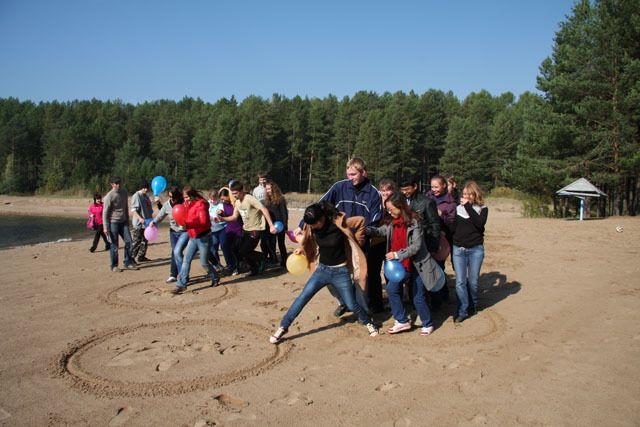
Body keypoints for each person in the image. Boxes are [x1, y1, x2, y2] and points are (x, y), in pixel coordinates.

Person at [269, 201, 378, 344]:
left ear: (323, 219)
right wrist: (301, 249)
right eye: (311, 225)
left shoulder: (338, 224)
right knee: (302, 298)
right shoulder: (311, 225)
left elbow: (361, 221)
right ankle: (283, 327)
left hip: (341, 271)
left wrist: (357, 241)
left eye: (315, 224)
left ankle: (367, 322)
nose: (313, 227)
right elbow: (307, 238)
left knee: (351, 304)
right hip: (322, 270)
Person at [293, 157, 382, 317]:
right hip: (337, 242)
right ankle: (343, 302)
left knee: (360, 279)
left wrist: (362, 233)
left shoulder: (373, 194)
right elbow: (319, 206)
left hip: (360, 244)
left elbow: (376, 221)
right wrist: (302, 224)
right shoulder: (339, 187)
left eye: (353, 174)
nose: (350, 178)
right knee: (329, 277)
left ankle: (363, 311)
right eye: (348, 174)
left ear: (363, 172)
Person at [366, 192, 441, 336]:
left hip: (417, 265)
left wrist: (396, 254)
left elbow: (416, 246)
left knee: (418, 296)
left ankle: (427, 323)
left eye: (391, 208)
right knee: (392, 289)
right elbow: (381, 231)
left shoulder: (414, 221)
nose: (389, 211)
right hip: (401, 266)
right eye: (387, 209)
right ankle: (401, 320)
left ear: (400, 206)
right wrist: (369, 230)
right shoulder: (392, 222)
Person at [217, 181, 277, 276]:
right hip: (246, 229)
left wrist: (271, 225)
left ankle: (263, 258)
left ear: (241, 191)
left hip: (255, 229)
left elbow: (264, 210)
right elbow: (234, 217)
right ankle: (255, 269)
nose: (234, 196)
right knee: (240, 251)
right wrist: (222, 219)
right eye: (233, 194)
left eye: (236, 193)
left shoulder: (249, 199)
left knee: (245, 250)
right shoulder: (237, 202)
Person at [451, 181, 488, 323]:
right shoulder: (458, 209)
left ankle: (473, 303)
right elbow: (453, 228)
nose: (465, 197)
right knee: (460, 281)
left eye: (468, 194)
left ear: (475, 194)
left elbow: (479, 223)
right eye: (463, 194)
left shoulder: (482, 209)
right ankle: (462, 310)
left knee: (473, 281)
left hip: (475, 249)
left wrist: (467, 206)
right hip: (459, 249)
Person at [171, 186, 220, 294]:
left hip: (204, 238)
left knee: (204, 263)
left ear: (192, 195)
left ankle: (215, 277)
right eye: (184, 198)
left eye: (187, 197)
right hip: (193, 237)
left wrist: (188, 224)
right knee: (186, 260)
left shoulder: (201, 204)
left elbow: (203, 222)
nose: (186, 200)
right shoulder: (186, 205)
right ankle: (181, 284)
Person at [367, 179, 397, 312]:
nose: (385, 193)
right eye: (382, 190)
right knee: (373, 274)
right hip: (375, 244)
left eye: (388, 190)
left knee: (390, 274)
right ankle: (376, 303)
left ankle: (393, 301)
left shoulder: (397, 204)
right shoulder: (375, 203)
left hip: (391, 244)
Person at [149, 186, 188, 283]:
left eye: (173, 197)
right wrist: (154, 222)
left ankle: (183, 275)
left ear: (178, 196)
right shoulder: (167, 205)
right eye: (170, 197)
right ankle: (173, 275)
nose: (171, 199)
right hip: (173, 232)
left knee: (177, 252)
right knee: (174, 252)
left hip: (184, 231)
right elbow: (161, 215)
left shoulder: (185, 204)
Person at [102, 176, 138, 272]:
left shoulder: (124, 192)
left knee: (129, 241)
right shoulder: (109, 196)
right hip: (113, 222)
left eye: (119, 183)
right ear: (112, 184)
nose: (118, 185)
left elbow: (125, 207)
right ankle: (114, 265)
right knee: (114, 245)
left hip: (123, 222)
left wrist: (127, 220)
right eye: (116, 183)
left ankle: (128, 262)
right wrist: (105, 227)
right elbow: (105, 213)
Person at [217, 188, 242, 276]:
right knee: (227, 248)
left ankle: (237, 267)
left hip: (238, 228)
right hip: (229, 229)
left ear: (229, 196)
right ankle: (231, 266)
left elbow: (235, 216)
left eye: (224, 198)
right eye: (221, 199)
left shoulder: (236, 203)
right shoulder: (224, 204)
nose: (223, 200)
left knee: (235, 249)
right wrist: (221, 214)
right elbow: (228, 216)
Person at [265, 181, 289, 269]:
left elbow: (284, 213)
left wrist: (285, 226)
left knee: (281, 244)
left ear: (273, 189)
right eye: (266, 189)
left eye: (269, 189)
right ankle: (273, 260)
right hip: (271, 225)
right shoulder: (267, 199)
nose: (267, 191)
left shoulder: (280, 199)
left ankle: (284, 262)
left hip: (280, 225)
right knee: (271, 243)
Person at [131, 179, 154, 263]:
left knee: (145, 240)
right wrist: (139, 218)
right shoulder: (137, 196)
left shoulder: (146, 197)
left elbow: (149, 209)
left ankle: (141, 255)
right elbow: (133, 209)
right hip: (139, 223)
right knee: (137, 240)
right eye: (144, 188)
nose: (145, 189)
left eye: (146, 188)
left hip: (147, 223)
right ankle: (131, 257)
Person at [208, 189, 230, 272]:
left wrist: (220, 212)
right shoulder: (207, 204)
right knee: (214, 248)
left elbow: (221, 211)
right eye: (211, 199)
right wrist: (212, 218)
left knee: (224, 246)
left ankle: (229, 263)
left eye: (215, 199)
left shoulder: (220, 204)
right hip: (212, 230)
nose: (213, 201)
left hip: (221, 228)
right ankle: (217, 264)